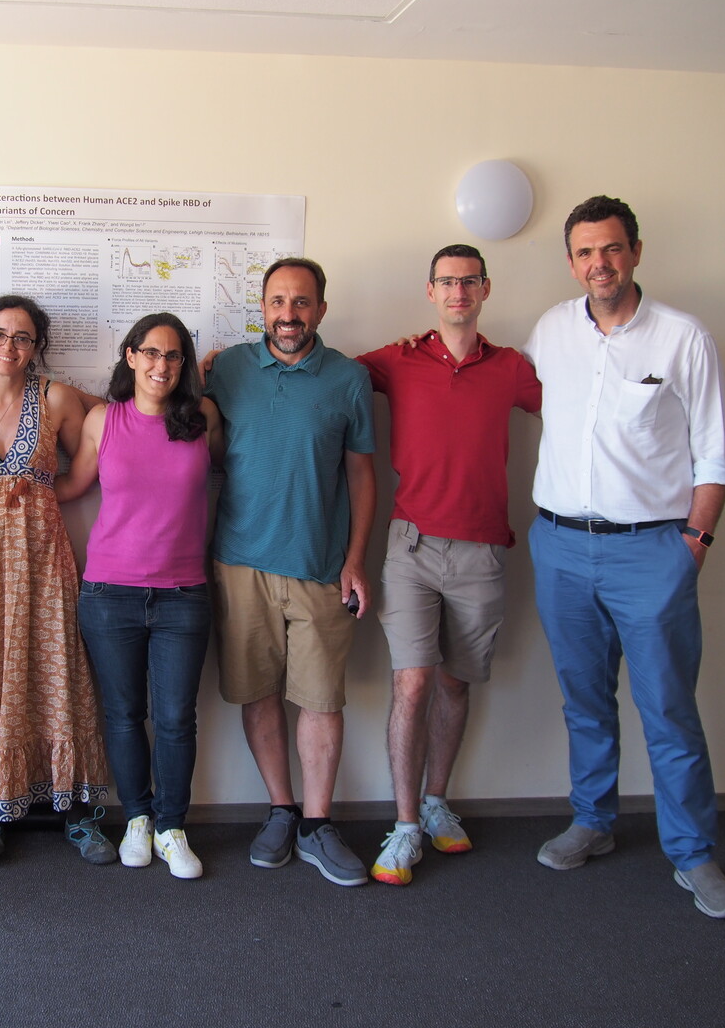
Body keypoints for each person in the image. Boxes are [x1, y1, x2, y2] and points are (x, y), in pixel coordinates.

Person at [526, 195, 725, 919]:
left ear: (636, 252)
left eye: (612, 248)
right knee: (584, 701)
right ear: (571, 262)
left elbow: (714, 457)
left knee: (668, 711)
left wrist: (694, 547)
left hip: (653, 551)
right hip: (559, 546)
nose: (600, 263)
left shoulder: (683, 338)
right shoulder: (552, 331)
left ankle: (694, 855)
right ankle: (594, 821)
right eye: (586, 252)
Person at [356, 245, 542, 885]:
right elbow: (320, 376)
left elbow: (578, 410)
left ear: (485, 289)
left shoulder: (513, 368)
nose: (458, 291)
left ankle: (437, 802)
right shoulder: (396, 360)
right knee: (412, 682)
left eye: (469, 281)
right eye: (447, 281)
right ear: (429, 290)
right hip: (410, 547)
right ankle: (405, 825)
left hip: (484, 550)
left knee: (457, 683)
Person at [205, 257, 377, 887]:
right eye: (277, 301)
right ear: (263, 307)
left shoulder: (349, 379)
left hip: (319, 566)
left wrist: (356, 560)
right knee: (257, 692)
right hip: (240, 561)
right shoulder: (226, 370)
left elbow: (362, 475)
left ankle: (317, 823)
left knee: (320, 700)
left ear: (321, 310)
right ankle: (280, 808)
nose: (288, 315)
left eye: (301, 303)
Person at [0, 294, 115, 865]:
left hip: (42, 553)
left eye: (22, 337)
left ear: (37, 347)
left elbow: (113, 423)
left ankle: (78, 812)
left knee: (56, 667)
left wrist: (49, 490)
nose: (8, 346)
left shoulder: (57, 398)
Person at [55, 312, 223, 879]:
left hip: (182, 595)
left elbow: (232, 475)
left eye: (173, 356)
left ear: (185, 365)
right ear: (130, 357)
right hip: (108, 594)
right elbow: (74, 485)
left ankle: (173, 826)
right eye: (150, 352)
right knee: (124, 716)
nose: (161, 365)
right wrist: (8, 484)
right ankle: (138, 819)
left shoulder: (202, 418)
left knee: (176, 719)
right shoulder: (103, 420)